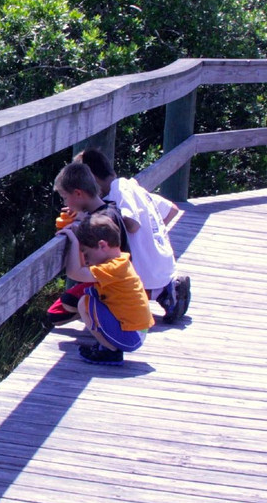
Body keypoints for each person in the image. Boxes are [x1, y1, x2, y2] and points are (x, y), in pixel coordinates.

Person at [76, 148, 191, 323]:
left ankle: (165, 291)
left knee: (111, 291)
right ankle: (166, 291)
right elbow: (172, 210)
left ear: (92, 179)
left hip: (149, 272)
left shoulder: (120, 188)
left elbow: (132, 224)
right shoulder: (134, 187)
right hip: (163, 265)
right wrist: (150, 238)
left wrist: (93, 216)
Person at [57, 212, 153, 365]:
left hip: (131, 336)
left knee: (87, 303)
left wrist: (74, 243)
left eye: (86, 253)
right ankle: (107, 346)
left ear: (102, 245)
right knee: (89, 298)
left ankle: (111, 352)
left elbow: (75, 273)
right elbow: (80, 270)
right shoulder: (120, 260)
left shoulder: (113, 268)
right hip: (135, 332)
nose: (86, 260)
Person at [45, 161, 128, 326]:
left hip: (110, 284)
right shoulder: (110, 210)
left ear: (77, 193)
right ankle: (95, 310)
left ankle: (103, 313)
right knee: (55, 314)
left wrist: (75, 237)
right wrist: (83, 216)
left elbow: (78, 269)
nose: (65, 204)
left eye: (65, 197)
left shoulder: (98, 224)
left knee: (66, 304)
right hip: (113, 278)